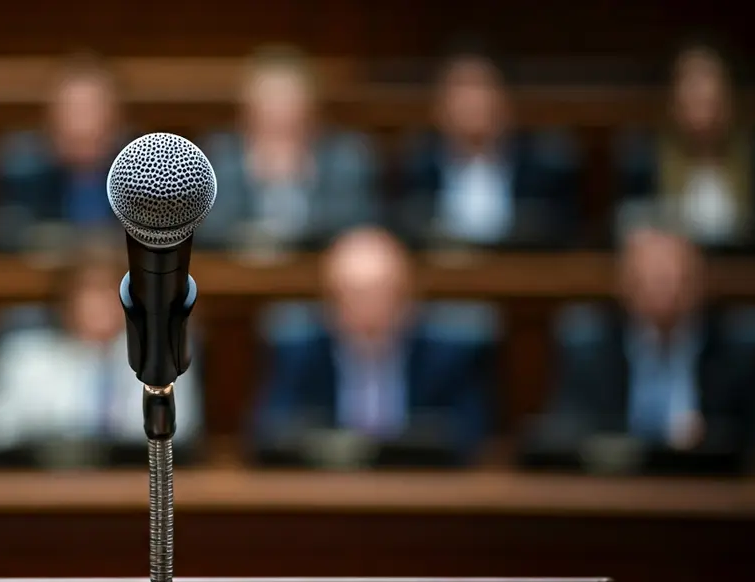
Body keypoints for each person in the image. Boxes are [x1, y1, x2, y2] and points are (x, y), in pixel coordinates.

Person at [254, 228, 491, 462]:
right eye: (353, 295)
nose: (367, 308)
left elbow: (470, 436)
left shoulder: (446, 357)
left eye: (380, 293)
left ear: (406, 296)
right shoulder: (300, 355)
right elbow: (269, 433)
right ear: (329, 300)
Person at [537, 229, 755, 456]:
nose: (667, 292)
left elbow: (750, 439)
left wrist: (710, 438)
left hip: (709, 484)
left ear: (700, 283)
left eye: (677, 279)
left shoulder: (737, 351)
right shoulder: (589, 350)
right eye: (654, 280)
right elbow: (566, 436)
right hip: (618, 483)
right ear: (624, 284)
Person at [0, 247, 202, 459]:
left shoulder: (163, 356)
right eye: (89, 291)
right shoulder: (23, 356)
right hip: (41, 489)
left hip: (133, 489)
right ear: (66, 300)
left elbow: (182, 434)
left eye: (111, 291)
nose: (100, 304)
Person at [199, 45, 379, 254]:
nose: (279, 110)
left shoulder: (346, 154)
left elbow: (356, 223)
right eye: (269, 99)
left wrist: (302, 176)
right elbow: (210, 227)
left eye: (288, 99)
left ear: (310, 105)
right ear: (247, 105)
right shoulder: (220, 155)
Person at [398, 42, 579, 249]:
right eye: (460, 89)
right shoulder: (416, 167)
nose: (472, 102)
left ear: (505, 101)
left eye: (482, 87)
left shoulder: (544, 166)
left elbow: (559, 234)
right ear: (438, 107)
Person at [616, 42, 755, 249]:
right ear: (674, 102)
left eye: (709, 98)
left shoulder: (754, 159)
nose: (702, 99)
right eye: (693, 95)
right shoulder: (643, 161)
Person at [0, 53, 124, 252]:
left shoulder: (145, 176)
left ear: (116, 120)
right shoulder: (21, 175)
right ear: (49, 122)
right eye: (72, 111)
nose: (81, 127)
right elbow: (6, 234)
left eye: (92, 110)